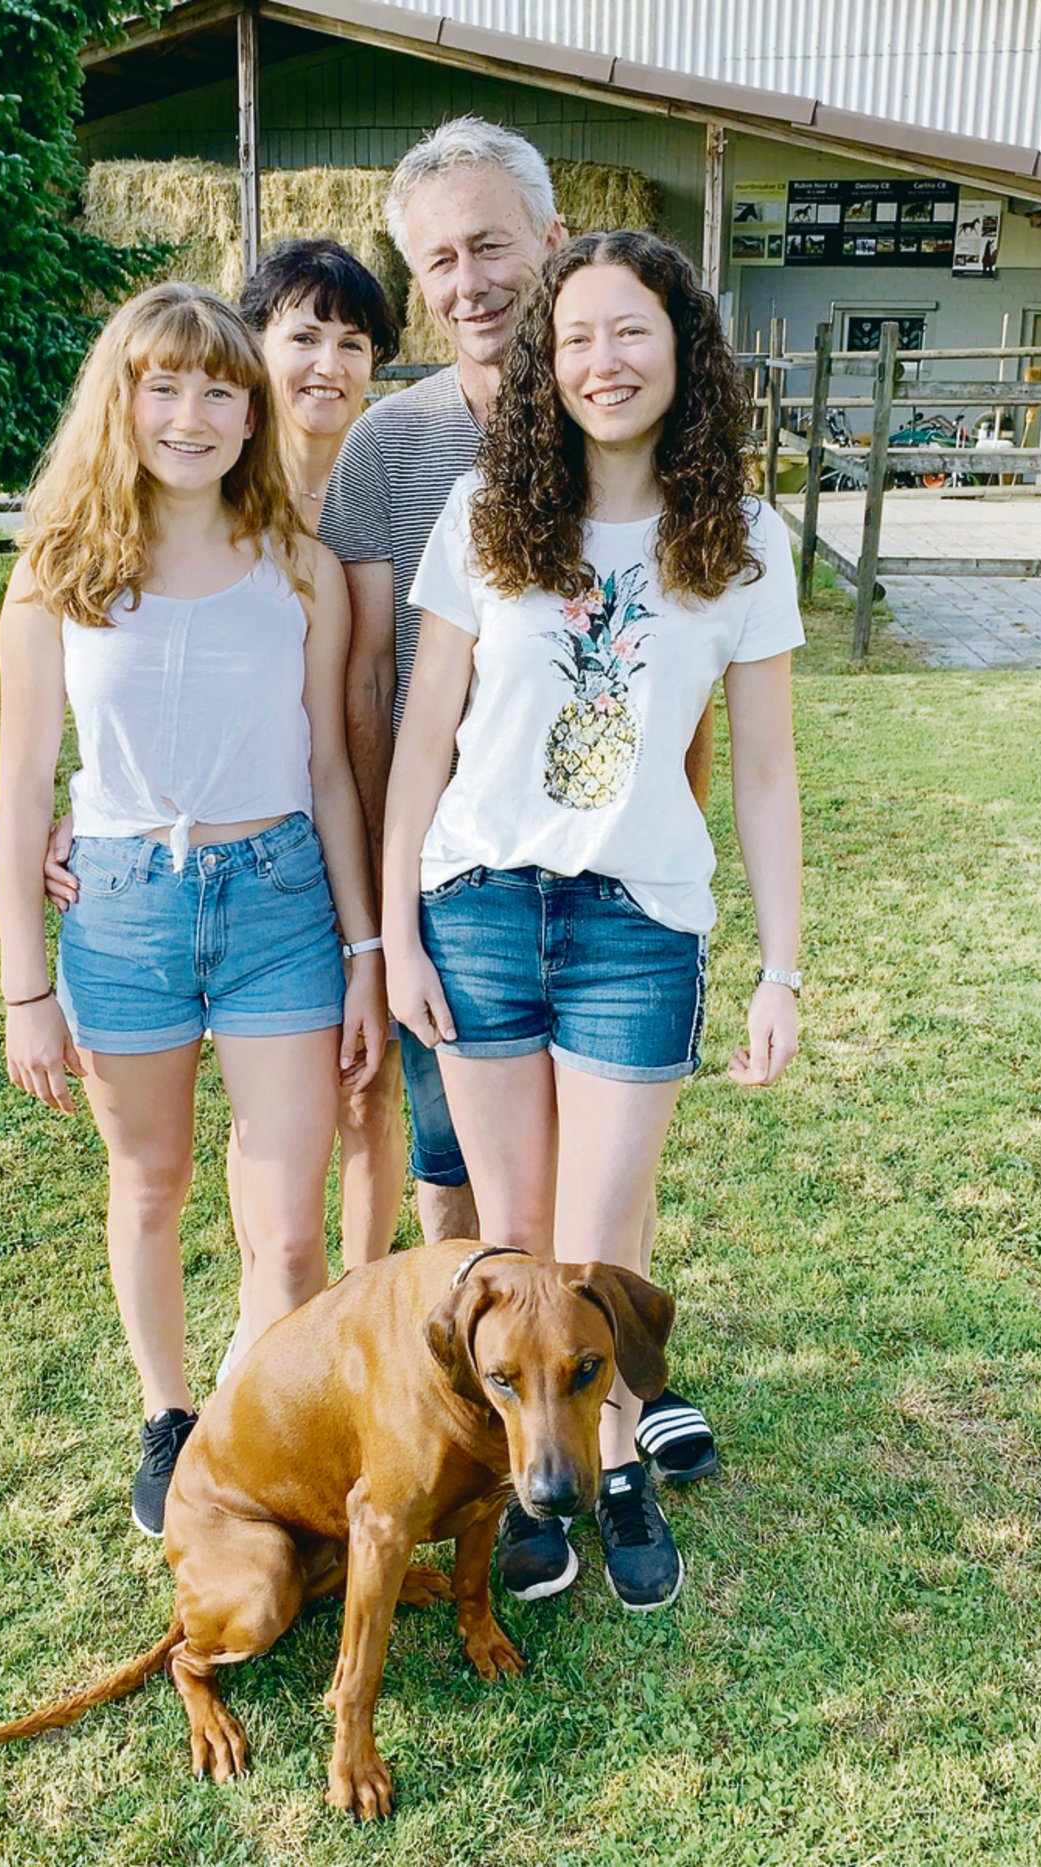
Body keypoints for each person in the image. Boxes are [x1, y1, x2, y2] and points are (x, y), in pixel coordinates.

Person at [382, 231, 804, 1610]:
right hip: (478, 907)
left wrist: (780, 968)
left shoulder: (741, 539)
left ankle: (616, 1465)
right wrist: (396, 930)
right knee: (513, 1237)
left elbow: (763, 770)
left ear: (683, 349)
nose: (602, 361)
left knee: (601, 1244)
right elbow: (424, 735)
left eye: (630, 332)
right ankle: (531, 1481)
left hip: (638, 925)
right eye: (574, 338)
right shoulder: (480, 516)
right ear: (544, 364)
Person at [321, 114, 721, 1486]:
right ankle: (487, 1410)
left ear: (553, 241)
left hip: (607, 871)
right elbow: (375, 689)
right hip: (456, 878)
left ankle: (618, 1382)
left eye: (490, 245)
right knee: (461, 1170)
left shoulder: (643, 417)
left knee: (607, 1160)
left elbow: (683, 698)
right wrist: (391, 916)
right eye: (437, 260)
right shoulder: (392, 451)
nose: (468, 281)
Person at [0, 282, 386, 1536]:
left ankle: (267, 1417)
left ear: (250, 413)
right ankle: (169, 1415)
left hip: (279, 905)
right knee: (151, 1180)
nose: (191, 415)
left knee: (286, 1227)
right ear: (119, 402)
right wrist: (25, 987)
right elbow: (21, 793)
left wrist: (365, 950)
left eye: (219, 390)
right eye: (162, 386)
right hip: (120, 909)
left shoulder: (299, 571)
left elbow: (328, 770)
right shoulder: (56, 575)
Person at [47, 242, 409, 1337]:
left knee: (359, 1108)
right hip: (165, 875)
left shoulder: (376, 474)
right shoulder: (147, 500)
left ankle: (338, 1337)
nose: (328, 363)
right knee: (211, 1167)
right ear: (258, 353)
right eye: (303, 336)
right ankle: (256, 1364)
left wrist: (367, 930)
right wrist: (94, 809)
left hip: (344, 832)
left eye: (354, 342)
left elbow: (335, 726)